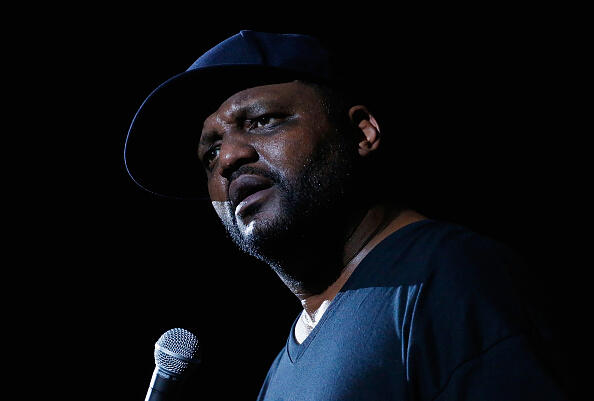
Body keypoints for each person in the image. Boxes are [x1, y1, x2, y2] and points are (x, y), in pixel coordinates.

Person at [125, 31, 569, 400]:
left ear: (361, 132)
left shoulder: (453, 279)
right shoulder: (280, 373)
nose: (228, 159)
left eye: (263, 121)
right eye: (210, 152)